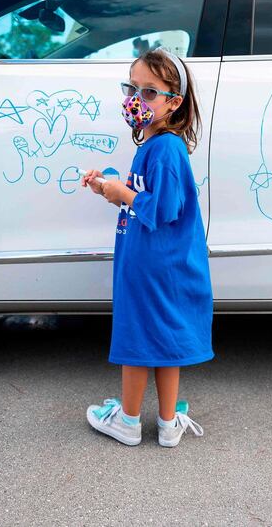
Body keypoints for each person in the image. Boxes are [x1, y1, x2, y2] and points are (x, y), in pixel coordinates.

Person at [80, 48, 212, 447]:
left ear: (175, 103)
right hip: (157, 261)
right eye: (132, 88)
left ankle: (128, 420)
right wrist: (110, 187)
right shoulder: (154, 146)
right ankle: (169, 425)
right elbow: (145, 196)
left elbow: (165, 208)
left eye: (150, 92)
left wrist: (123, 193)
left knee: (137, 340)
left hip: (153, 263)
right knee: (163, 340)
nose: (137, 99)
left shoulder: (166, 148)